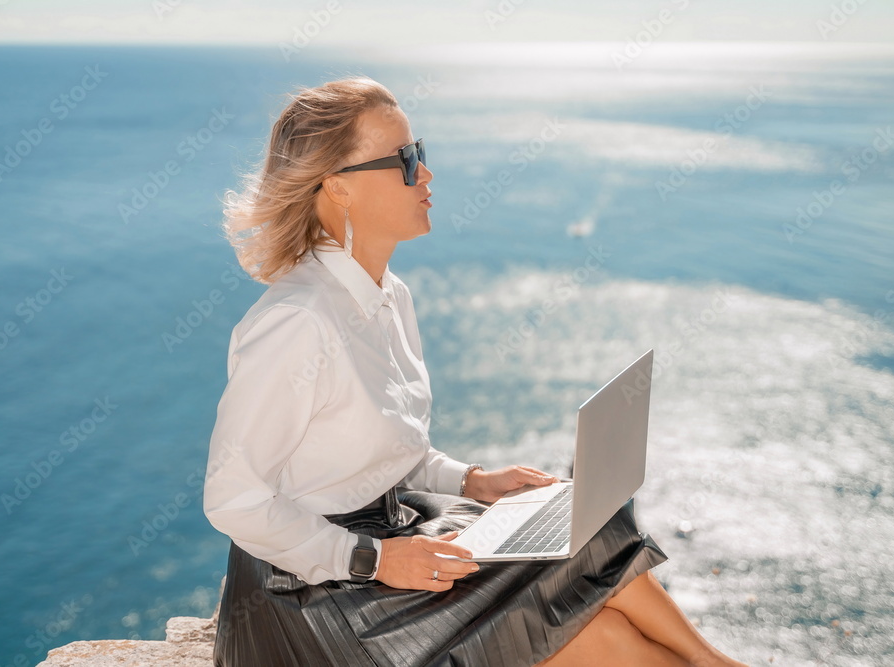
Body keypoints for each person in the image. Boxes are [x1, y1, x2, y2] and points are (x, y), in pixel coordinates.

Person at [202, 75, 748, 667]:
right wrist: (376, 560)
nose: (426, 175)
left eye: (422, 154)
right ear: (338, 186)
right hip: (315, 599)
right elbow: (232, 498)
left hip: (390, 538)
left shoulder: (388, 298)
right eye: (406, 161)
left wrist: (472, 481)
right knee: (600, 637)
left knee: (586, 527)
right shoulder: (297, 322)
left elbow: (382, 453)